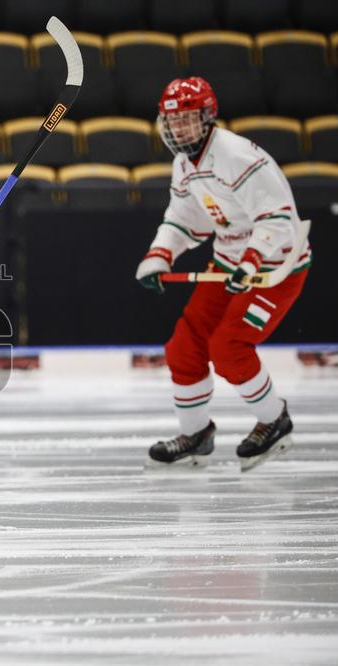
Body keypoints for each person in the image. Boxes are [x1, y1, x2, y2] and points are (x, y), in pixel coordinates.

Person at [136, 77, 311, 471]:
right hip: (230, 265)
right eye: (172, 120)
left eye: (186, 119)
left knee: (229, 348)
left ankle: (274, 419)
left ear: (207, 117)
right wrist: (159, 255)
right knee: (184, 346)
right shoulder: (184, 164)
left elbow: (280, 219)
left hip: (275, 268)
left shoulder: (237, 156)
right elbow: (185, 219)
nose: (178, 128)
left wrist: (250, 261)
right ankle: (195, 433)